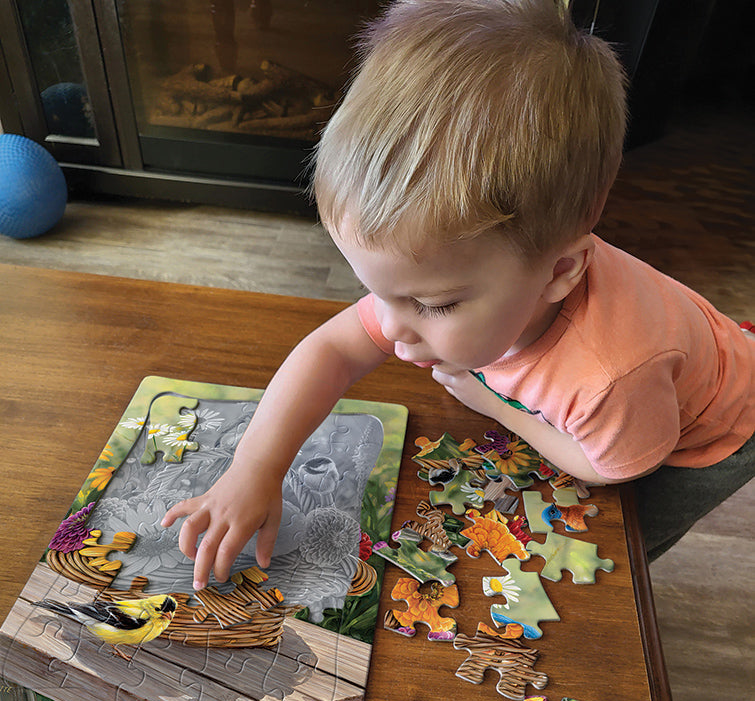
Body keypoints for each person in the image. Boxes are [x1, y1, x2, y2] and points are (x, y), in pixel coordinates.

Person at [162, 0, 755, 589]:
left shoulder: (609, 376)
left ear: (559, 272)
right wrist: (253, 470)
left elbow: (607, 466)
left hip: (712, 431)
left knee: (618, 560)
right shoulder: (458, 271)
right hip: (644, 380)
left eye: (435, 305)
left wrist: (489, 401)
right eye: (375, 291)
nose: (391, 328)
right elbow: (331, 351)